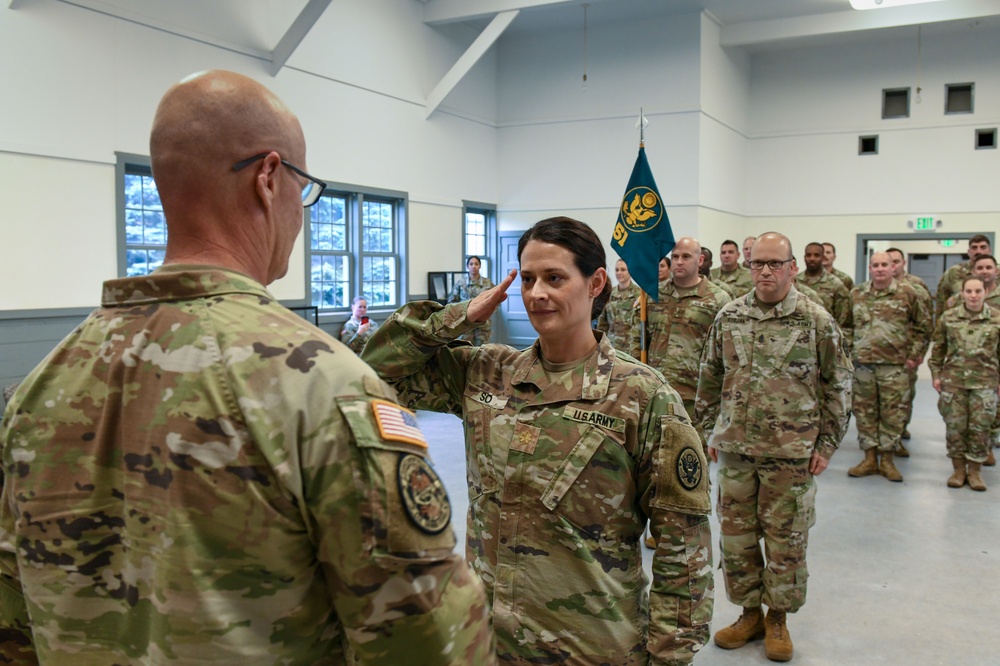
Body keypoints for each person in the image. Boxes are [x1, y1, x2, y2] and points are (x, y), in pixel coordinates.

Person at [0, 70, 493, 665]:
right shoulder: (323, 384)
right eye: (303, 188)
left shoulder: (39, 389)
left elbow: (13, 622)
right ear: (268, 178)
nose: (302, 211)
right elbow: (429, 640)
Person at [362, 217, 713, 664]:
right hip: (488, 636)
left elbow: (683, 548)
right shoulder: (487, 371)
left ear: (596, 283)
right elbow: (375, 369)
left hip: (588, 646)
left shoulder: (642, 395)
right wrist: (458, 316)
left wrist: (668, 657)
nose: (536, 293)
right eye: (527, 279)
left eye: (554, 278)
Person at [695, 232, 852, 663]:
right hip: (736, 450)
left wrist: (828, 443)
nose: (765, 271)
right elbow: (709, 376)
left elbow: (838, 383)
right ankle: (749, 614)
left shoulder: (815, 319)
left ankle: (778, 616)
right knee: (737, 538)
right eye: (758, 263)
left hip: (792, 451)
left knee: (786, 540)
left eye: (775, 264)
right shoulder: (729, 316)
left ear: (792, 268)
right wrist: (710, 430)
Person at [847, 252, 931, 483]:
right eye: (876, 265)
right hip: (863, 365)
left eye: (885, 264)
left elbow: (923, 326)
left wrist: (915, 355)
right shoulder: (856, 294)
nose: (880, 269)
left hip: (895, 366)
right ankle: (869, 458)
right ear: (870, 268)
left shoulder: (908, 293)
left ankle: (888, 460)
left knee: (893, 414)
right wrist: (848, 353)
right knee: (864, 413)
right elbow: (845, 326)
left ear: (893, 267)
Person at [632, 237, 731, 424]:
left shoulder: (718, 299)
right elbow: (637, 340)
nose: (679, 261)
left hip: (696, 397)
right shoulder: (653, 295)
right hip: (654, 392)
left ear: (700, 260)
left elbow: (725, 354)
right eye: (675, 256)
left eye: (686, 256)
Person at [928, 276, 1000, 491]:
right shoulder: (949, 318)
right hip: (954, 382)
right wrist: (936, 375)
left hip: (985, 382)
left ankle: (975, 471)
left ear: (985, 293)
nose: (973, 295)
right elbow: (938, 350)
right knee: (955, 427)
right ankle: (959, 469)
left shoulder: (997, 318)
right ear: (962, 293)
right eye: (969, 291)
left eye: (978, 291)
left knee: (980, 427)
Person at [886, 247, 933, 449]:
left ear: (903, 263)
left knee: (904, 396)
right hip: (882, 354)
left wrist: (918, 353)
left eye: (896, 261)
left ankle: (899, 433)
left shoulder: (917, 287)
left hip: (906, 353)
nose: (893, 265)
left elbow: (926, 322)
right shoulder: (877, 287)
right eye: (890, 261)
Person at [796, 242, 852, 335]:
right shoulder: (796, 282)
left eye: (816, 255)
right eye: (808, 255)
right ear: (804, 257)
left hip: (825, 337)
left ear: (822, 258)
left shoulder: (835, 284)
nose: (812, 258)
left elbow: (844, 321)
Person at [936, 235, 992, 316]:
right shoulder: (954, 272)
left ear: (990, 251)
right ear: (969, 252)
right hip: (960, 324)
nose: (978, 251)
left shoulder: (998, 272)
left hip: (993, 324)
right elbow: (941, 301)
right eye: (974, 248)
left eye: (983, 247)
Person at [448, 255, 495, 345]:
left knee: (482, 351)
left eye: (476, 264)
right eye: (471, 264)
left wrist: (487, 312)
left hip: (482, 325)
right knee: (465, 350)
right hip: (465, 323)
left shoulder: (488, 283)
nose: (474, 266)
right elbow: (452, 302)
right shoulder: (461, 284)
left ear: (480, 266)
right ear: (467, 266)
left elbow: (496, 300)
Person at [595, 258, 640, 351]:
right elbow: (602, 324)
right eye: (617, 270)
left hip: (631, 349)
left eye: (623, 269)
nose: (619, 273)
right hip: (611, 347)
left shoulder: (639, 295)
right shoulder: (609, 294)